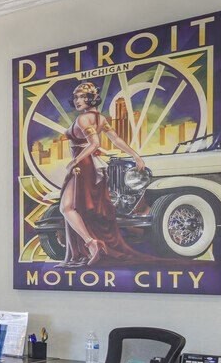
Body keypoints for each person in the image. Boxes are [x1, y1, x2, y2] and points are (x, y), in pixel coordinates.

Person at [57, 82, 153, 267]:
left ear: (91, 98)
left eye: (82, 97)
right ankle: (86, 249)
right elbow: (114, 139)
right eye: (75, 97)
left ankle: (91, 244)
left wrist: (74, 161)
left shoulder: (84, 119)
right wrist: (135, 155)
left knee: (67, 207)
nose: (77, 101)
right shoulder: (101, 119)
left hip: (82, 166)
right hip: (88, 165)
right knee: (73, 208)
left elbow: (93, 143)